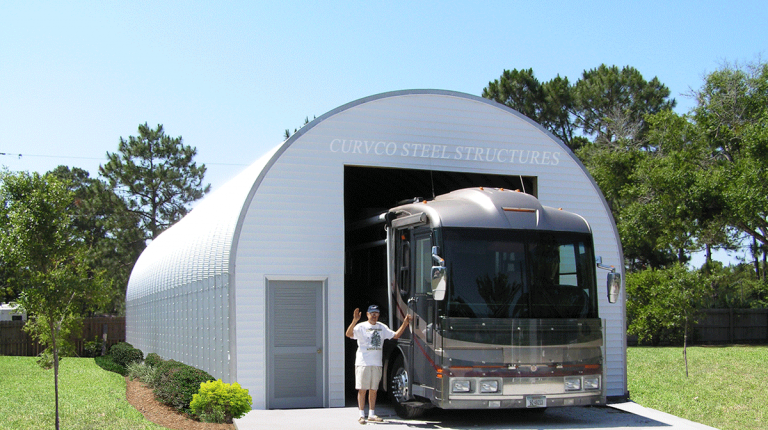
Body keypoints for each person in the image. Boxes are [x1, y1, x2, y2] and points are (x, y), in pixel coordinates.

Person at [346, 304, 411, 424]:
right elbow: (349, 334)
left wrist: (405, 323)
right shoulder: (361, 326)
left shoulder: (382, 327)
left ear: (378, 315)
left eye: (376, 313)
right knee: (362, 389)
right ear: (367, 314)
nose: (374, 315)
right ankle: (361, 415)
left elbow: (395, 335)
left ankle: (371, 414)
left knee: (374, 389)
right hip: (363, 363)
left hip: (376, 364)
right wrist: (354, 320)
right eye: (372, 313)